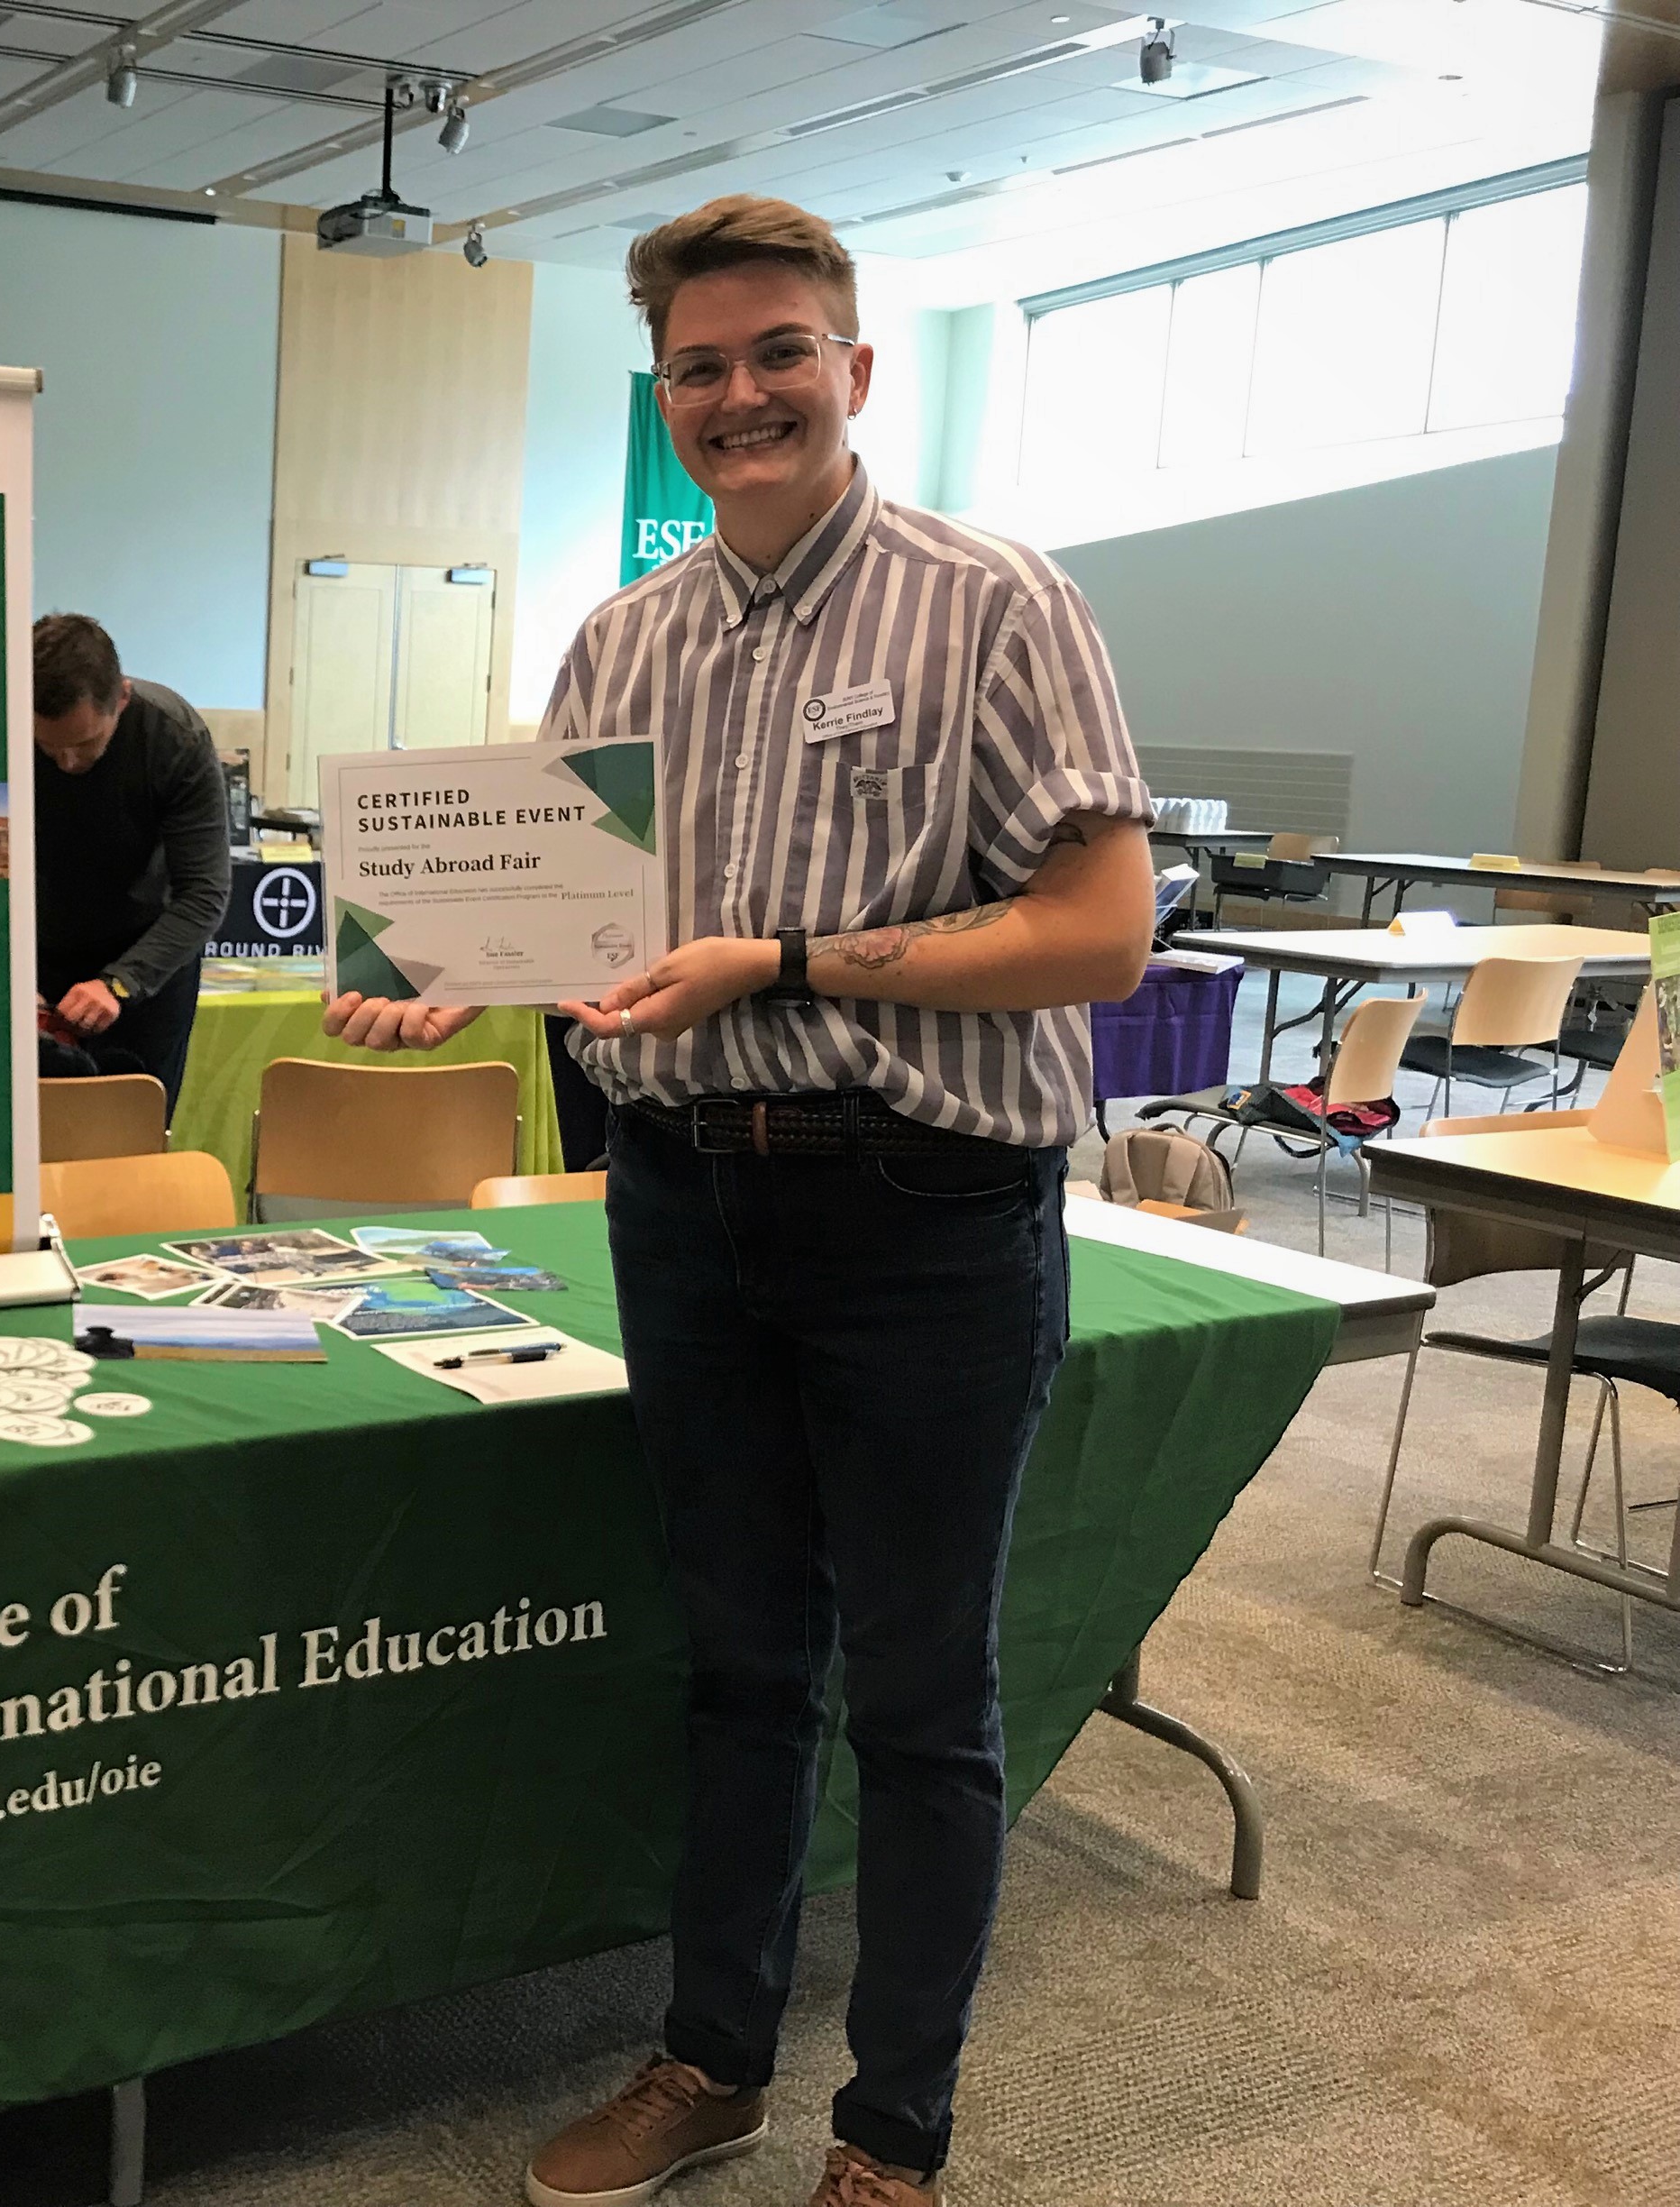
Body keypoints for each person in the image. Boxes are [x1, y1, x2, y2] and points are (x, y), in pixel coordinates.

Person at [323, 197, 1153, 2207]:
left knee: (925, 1695)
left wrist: (781, 958)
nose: (740, 394)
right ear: (668, 402)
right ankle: (713, 2060)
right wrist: (459, 968)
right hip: (681, 1204)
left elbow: (1102, 933)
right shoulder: (627, 637)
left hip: (921, 1215)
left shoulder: (994, 602)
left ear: (855, 371)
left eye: (780, 351)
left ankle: (895, 2136)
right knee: (743, 1666)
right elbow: (559, 906)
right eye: (699, 368)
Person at [32, 613, 231, 1113]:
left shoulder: (175, 738)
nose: (67, 764)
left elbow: (204, 894)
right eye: (48, 747)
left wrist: (119, 982)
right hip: (33, 951)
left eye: (85, 744)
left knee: (133, 1138)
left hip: (146, 958)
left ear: (121, 697)